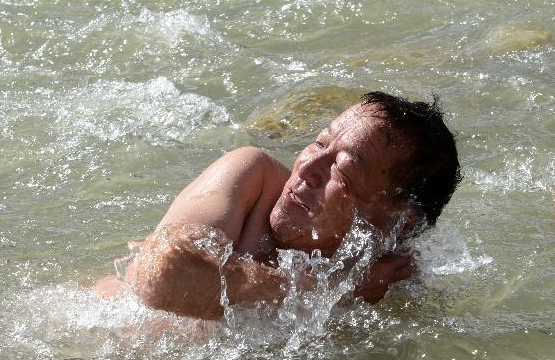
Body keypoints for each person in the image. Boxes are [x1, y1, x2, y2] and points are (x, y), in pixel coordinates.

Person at [94, 91, 462, 319]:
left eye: (343, 169)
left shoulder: (393, 288)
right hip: (80, 355)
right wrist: (326, 291)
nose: (308, 169)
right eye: (319, 144)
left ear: (399, 221)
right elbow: (161, 276)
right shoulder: (252, 179)